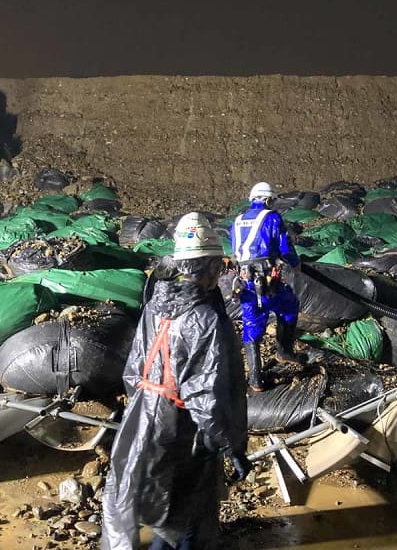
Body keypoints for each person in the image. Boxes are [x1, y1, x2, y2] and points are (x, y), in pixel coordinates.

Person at [102, 212, 250, 550]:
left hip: (143, 415)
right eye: (218, 265)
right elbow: (208, 395)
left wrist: (144, 409)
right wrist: (229, 444)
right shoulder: (206, 319)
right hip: (183, 427)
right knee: (182, 515)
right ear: (208, 266)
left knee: (159, 503)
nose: (220, 272)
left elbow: (134, 367)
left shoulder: (156, 305)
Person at [229, 181, 303, 393]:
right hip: (267, 280)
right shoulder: (272, 218)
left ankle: (254, 378)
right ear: (268, 200)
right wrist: (296, 264)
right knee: (289, 306)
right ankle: (284, 350)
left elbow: (236, 248)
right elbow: (284, 247)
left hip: (245, 283)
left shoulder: (237, 220)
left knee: (251, 323)